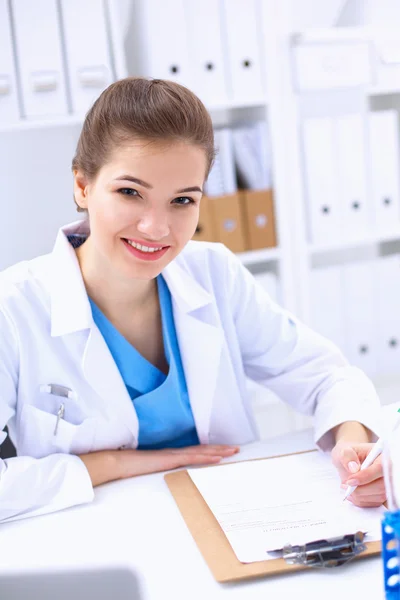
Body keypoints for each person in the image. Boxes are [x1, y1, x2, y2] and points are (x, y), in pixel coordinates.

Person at [0, 77, 385, 523]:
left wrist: (353, 443)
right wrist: (108, 465)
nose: (157, 228)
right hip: (93, 535)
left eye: (182, 200)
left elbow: (327, 376)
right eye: (130, 192)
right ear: (83, 186)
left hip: (234, 523)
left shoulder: (213, 272)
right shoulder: (13, 307)